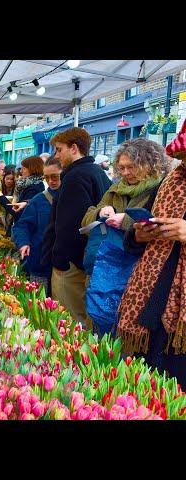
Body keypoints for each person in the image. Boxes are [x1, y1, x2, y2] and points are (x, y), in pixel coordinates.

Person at [117, 121, 186, 386]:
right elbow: (134, 234)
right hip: (152, 302)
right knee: (149, 381)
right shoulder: (170, 182)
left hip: (180, 316)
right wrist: (138, 234)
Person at [42, 127, 111, 329]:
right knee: (83, 319)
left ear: (74, 148)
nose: (57, 155)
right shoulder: (97, 172)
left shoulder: (75, 176)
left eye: (59, 150)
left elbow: (71, 226)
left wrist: (62, 261)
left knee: (69, 323)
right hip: (89, 259)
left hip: (71, 263)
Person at [12, 157, 63, 295]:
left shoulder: (73, 197)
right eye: (47, 177)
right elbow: (22, 226)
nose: (51, 181)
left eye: (55, 177)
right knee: (39, 306)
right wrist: (23, 243)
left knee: (62, 309)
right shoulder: (38, 200)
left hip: (65, 267)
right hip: (39, 262)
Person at [0, 156, 45, 237]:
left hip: (26, 231)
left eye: (24, 168)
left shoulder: (34, 187)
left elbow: (18, 212)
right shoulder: (28, 184)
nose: (21, 171)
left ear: (32, 169)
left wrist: (1, 197)